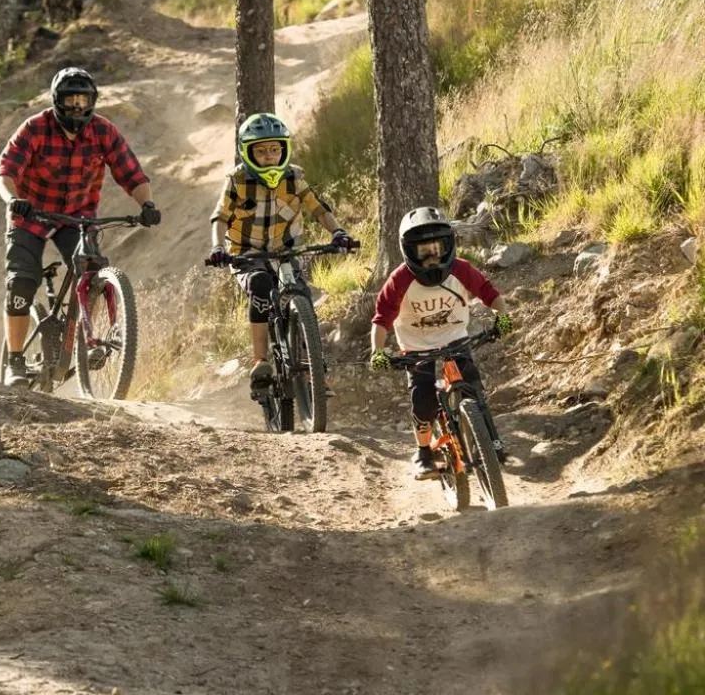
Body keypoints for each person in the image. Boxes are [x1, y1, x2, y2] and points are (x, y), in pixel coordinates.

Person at [0, 66, 160, 387]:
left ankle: (89, 339)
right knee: (22, 284)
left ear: (93, 102)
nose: (77, 107)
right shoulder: (35, 128)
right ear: (57, 101)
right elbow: (6, 171)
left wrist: (147, 205)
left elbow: (132, 174)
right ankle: (15, 360)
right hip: (30, 217)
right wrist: (12, 199)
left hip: (78, 217)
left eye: (83, 100)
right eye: (70, 100)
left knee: (94, 272)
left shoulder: (104, 132)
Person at [207, 112, 352, 394]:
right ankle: (260, 362)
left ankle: (314, 373)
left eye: (275, 149)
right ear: (248, 153)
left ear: (283, 150)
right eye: (261, 151)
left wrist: (338, 232)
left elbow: (318, 208)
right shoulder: (237, 180)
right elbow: (220, 217)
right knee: (261, 286)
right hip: (246, 254)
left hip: (287, 251)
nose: (269, 156)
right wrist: (217, 247)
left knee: (302, 296)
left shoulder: (293, 177)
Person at [369, 206, 512, 478]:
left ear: (449, 245)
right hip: (416, 348)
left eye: (437, 247)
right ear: (408, 251)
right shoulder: (399, 279)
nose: (432, 256)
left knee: (473, 385)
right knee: (422, 400)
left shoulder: (461, 269)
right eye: (423, 251)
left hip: (455, 339)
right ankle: (424, 451)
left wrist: (502, 316)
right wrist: (378, 351)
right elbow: (381, 320)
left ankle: (490, 440)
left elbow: (490, 294)